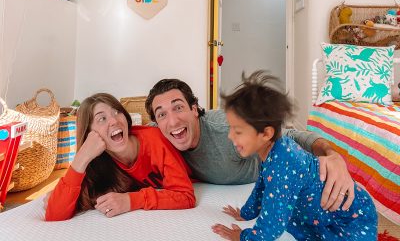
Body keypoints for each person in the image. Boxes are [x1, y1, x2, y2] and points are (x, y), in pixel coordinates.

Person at [145, 78, 355, 213]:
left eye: (178, 108)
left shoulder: (228, 128)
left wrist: (331, 155)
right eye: (162, 114)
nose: (172, 122)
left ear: (194, 109)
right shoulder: (160, 137)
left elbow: (291, 136)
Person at [211, 71, 377, 241]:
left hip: (352, 221)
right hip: (324, 214)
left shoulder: (283, 165)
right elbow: (263, 184)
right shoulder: (274, 150)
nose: (230, 136)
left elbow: (271, 226)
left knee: (285, 214)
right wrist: (247, 213)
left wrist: (242, 236)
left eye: (238, 131)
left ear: (266, 133)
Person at [45, 93, 195, 221]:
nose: (114, 121)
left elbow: (186, 196)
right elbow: (54, 215)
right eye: (102, 119)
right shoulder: (97, 161)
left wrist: (131, 200)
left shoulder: (155, 140)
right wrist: (81, 158)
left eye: (117, 112)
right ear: (90, 134)